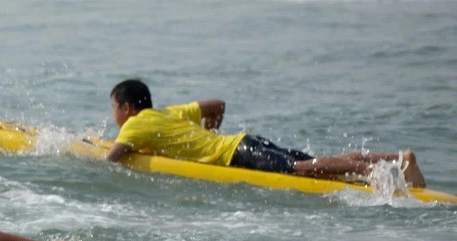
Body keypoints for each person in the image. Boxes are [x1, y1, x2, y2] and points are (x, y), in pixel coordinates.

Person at [105, 79, 425, 188]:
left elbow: (112, 159)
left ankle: (373, 170)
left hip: (235, 154)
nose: (115, 116)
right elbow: (217, 105)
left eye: (115, 109)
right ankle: (400, 159)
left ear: (128, 108)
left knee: (301, 168)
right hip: (243, 142)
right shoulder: (165, 112)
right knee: (311, 162)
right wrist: (210, 135)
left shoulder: (133, 125)